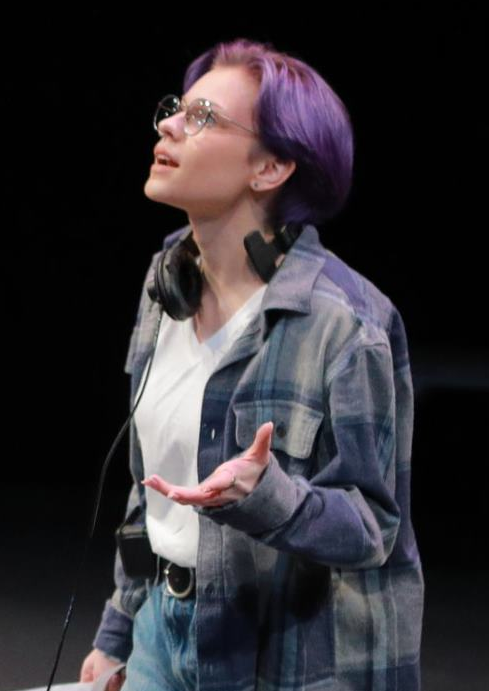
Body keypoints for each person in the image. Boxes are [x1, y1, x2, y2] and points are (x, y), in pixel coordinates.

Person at [80, 38, 423, 691]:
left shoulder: (346, 323)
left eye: (203, 117)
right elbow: (146, 484)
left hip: (286, 657)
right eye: (176, 108)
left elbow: (375, 527)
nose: (169, 125)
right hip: (164, 631)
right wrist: (118, 631)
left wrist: (270, 499)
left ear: (270, 169)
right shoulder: (165, 285)